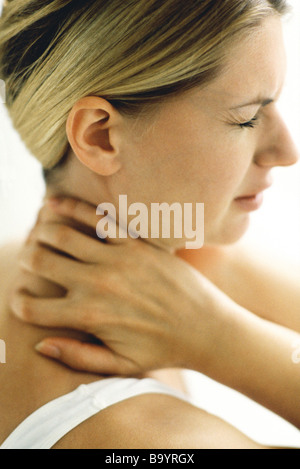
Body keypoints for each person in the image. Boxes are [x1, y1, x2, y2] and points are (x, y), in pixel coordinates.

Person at [0, 0, 299, 449]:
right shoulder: (144, 441)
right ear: (100, 136)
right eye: (247, 117)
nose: (286, 150)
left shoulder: (186, 255)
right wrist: (224, 341)